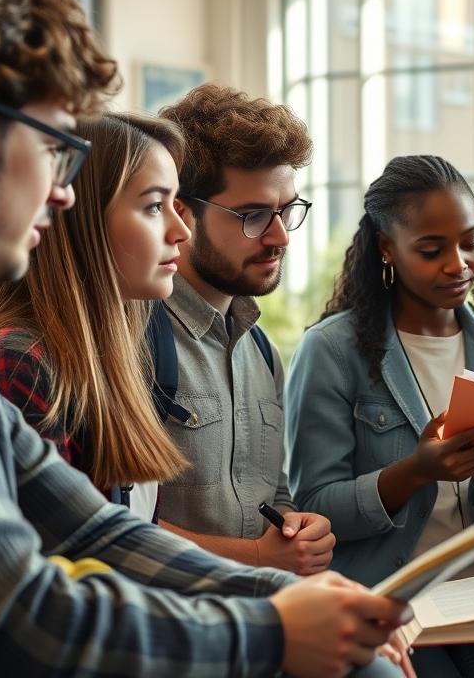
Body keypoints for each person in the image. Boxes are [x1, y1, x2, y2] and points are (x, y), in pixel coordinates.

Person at [0, 0, 407, 677]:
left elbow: (93, 526)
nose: (62, 191)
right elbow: (14, 625)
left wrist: (283, 594)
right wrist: (269, 632)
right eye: (54, 147)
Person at [290, 154, 474, 678]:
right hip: (388, 592)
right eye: (432, 250)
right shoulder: (332, 349)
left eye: (470, 241)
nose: (458, 263)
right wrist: (417, 471)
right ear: (387, 248)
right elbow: (315, 508)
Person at [0, 113, 192, 522]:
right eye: (155, 206)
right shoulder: (18, 365)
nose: (181, 231)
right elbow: (67, 562)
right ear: (80, 216)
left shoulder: (111, 360)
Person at [155, 83, 335, 576]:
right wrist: (254, 558)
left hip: (265, 628)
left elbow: (270, 496)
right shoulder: (131, 341)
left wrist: (299, 528)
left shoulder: (260, 350)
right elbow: (104, 523)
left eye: (287, 211)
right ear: (182, 213)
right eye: (253, 215)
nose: (279, 237)